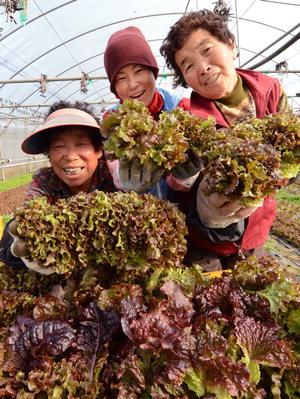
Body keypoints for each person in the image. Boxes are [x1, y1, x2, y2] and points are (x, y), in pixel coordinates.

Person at [159, 9, 292, 271]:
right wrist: (182, 176)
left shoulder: (270, 91)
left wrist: (278, 174)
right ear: (184, 79)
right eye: (188, 65)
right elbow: (174, 183)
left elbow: (292, 157)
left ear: (231, 45)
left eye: (207, 50)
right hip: (203, 241)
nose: (203, 67)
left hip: (255, 232)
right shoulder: (186, 116)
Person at [0, 101, 117, 274]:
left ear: (99, 150)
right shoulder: (46, 180)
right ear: (48, 153)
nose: (70, 156)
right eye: (58, 146)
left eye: (81, 144)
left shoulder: (114, 176)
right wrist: (19, 246)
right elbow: (27, 215)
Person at [103, 26, 202, 199]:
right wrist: (126, 183)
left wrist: (185, 177)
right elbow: (115, 169)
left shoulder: (180, 107)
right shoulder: (111, 121)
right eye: (121, 78)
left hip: (184, 211)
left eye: (139, 71)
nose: (133, 84)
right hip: (141, 213)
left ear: (153, 72)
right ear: (115, 88)